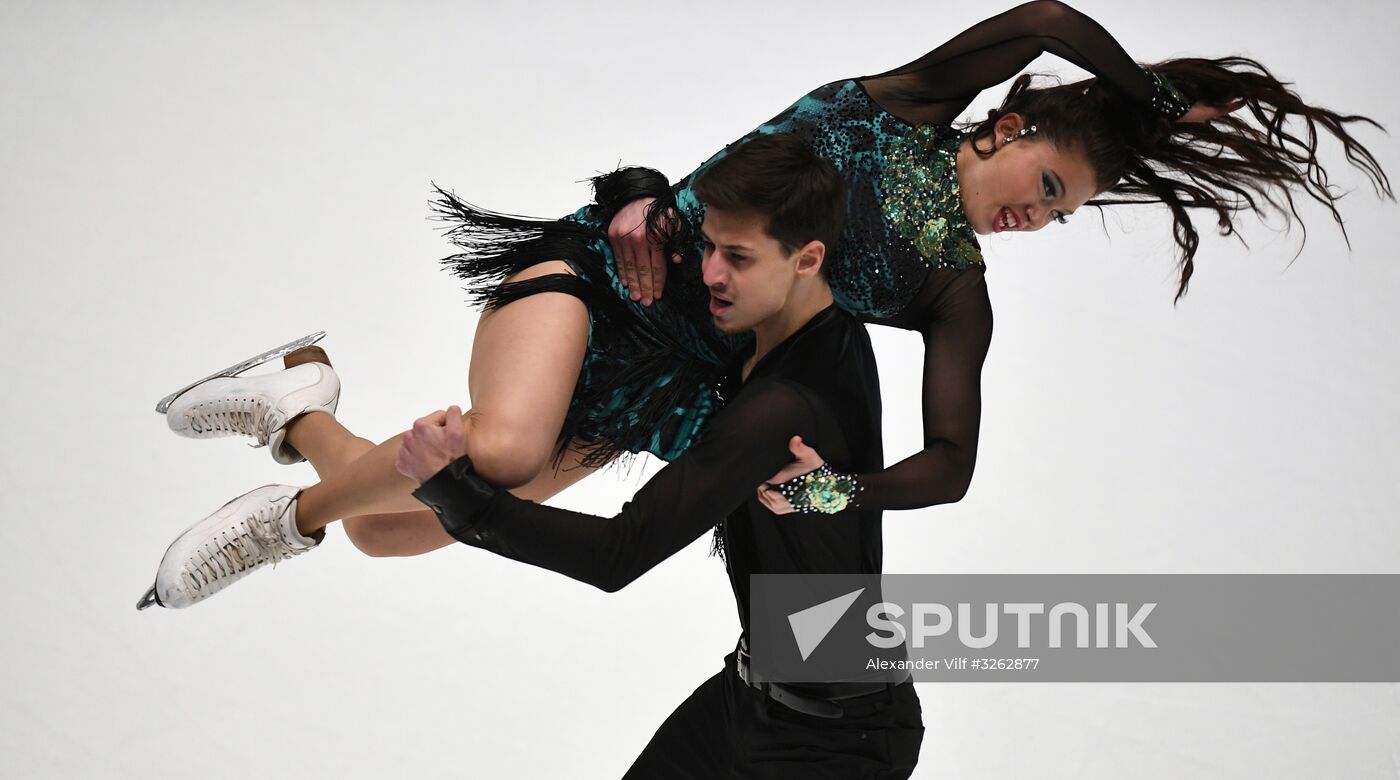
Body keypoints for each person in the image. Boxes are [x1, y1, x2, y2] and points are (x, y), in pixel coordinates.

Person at [137, 0, 1391, 608]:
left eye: (1060, 214)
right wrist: (1146, 97)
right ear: (1006, 124)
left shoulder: (954, 285)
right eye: (1044, 183)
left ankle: (299, 402)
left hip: (664, 399)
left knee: (400, 531)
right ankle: (275, 521)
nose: (1036, 216)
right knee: (498, 451)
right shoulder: (896, 103)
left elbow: (948, 460)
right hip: (598, 289)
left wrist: (850, 489)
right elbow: (1050, 15)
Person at [406, 132, 925, 777]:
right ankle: (299, 413)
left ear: (806, 258)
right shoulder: (803, 327)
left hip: (839, 748)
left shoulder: (784, 404)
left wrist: (455, 493)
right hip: (750, 694)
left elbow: (616, 555)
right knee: (378, 531)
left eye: (736, 256)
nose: (710, 272)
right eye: (707, 246)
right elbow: (648, 240)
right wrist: (636, 191)